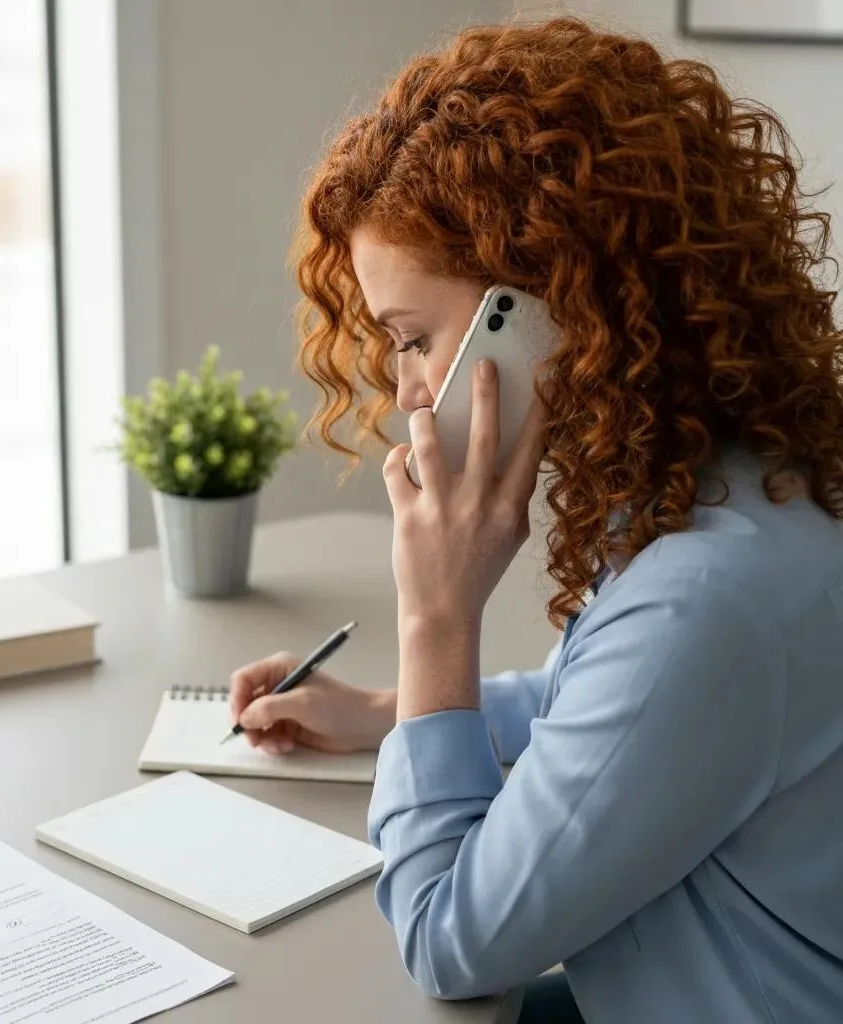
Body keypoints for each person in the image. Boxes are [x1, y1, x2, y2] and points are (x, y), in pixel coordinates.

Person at [230, 16, 843, 1024]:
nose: (408, 394)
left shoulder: (705, 599)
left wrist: (435, 617)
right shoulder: (735, 486)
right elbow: (595, 698)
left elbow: (448, 942)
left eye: (417, 340)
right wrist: (391, 711)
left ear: (555, 308)